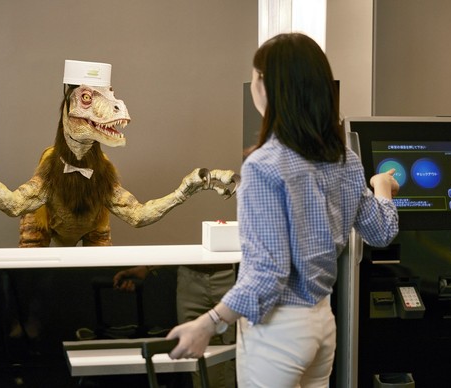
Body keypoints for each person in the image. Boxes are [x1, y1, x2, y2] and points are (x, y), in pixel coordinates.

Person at [165, 32, 400, 388]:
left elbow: (267, 273)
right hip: (323, 324)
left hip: (279, 331)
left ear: (267, 87)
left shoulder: (264, 166)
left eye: (255, 77)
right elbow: (381, 232)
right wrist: (383, 188)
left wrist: (208, 323)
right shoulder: (345, 160)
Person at [113, 264, 237, 388]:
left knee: (234, 358)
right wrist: (148, 268)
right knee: (197, 360)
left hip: (232, 272)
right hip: (190, 273)